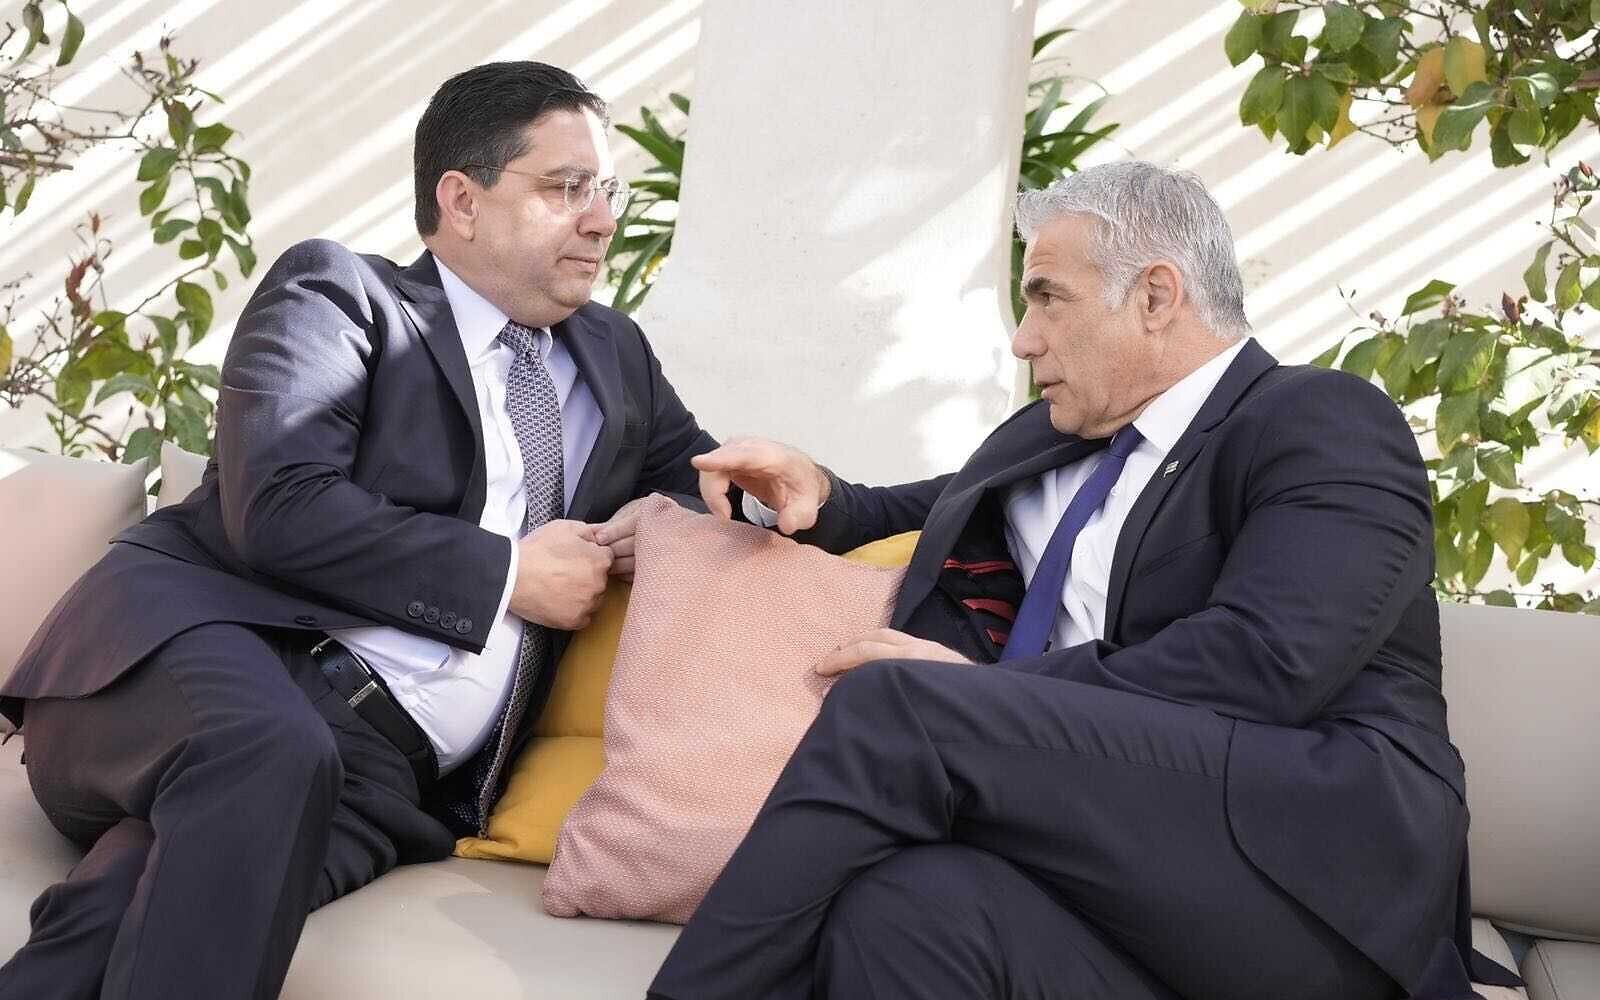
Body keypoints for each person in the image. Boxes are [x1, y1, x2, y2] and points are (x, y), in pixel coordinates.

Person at [655, 162, 1520, 1000]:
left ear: (1155, 296)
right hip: (1117, 880)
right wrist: (812, 492)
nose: (1023, 338)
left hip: (1305, 872)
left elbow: (1267, 660)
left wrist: (989, 695)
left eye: (1046, 297)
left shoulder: (1319, 418)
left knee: (898, 704)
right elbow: (912, 508)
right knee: (905, 913)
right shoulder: (1049, 440)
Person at [0, 61, 720, 1000]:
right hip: (188, 661)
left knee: (136, 901)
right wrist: (508, 577)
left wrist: (809, 495)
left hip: (383, 779)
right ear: (461, 200)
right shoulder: (340, 295)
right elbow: (280, 506)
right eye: (567, 187)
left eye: (607, 191)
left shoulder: (615, 356)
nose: (602, 220)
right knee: (271, 752)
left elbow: (711, 492)